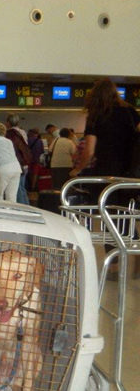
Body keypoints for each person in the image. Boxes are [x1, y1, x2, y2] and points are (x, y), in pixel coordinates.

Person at [70, 79, 140, 278]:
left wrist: (78, 169)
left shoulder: (97, 116)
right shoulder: (129, 112)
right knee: (128, 214)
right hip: (130, 176)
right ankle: (136, 252)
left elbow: (90, 150)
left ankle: (114, 265)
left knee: (109, 217)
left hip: (107, 176)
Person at [5, 113, 31, 204]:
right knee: (22, 188)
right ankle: (28, 207)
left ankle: (23, 209)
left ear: (8, 122)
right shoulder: (22, 132)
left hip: (17, 164)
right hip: (24, 164)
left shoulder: (10, 134)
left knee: (17, 189)